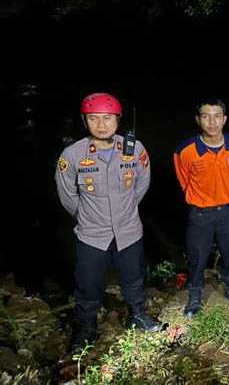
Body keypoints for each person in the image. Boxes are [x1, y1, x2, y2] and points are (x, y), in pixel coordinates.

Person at [55, 92, 161, 354]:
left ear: (118, 120)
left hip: (129, 231)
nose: (101, 125)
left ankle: (138, 315)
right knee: (88, 286)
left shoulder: (135, 149)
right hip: (91, 235)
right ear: (84, 121)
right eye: (94, 118)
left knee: (134, 279)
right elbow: (68, 196)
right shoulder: (72, 155)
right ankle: (86, 329)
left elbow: (141, 185)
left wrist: (126, 211)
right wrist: (88, 218)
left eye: (107, 118)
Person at [174, 97, 229, 317]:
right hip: (200, 213)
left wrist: (223, 194)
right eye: (206, 116)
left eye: (217, 116)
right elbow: (184, 180)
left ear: (224, 119)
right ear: (198, 120)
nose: (212, 122)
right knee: (197, 256)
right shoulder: (185, 151)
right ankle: (195, 295)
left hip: (227, 211)